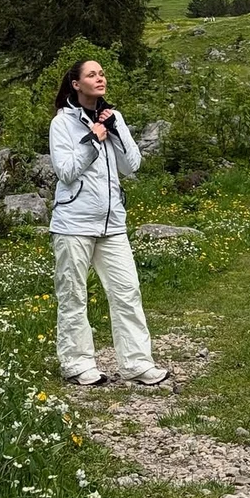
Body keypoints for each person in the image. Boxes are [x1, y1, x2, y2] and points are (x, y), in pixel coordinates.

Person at [49, 58, 169, 387]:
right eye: (92, 74)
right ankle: (77, 364)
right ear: (76, 84)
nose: (100, 78)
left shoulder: (113, 118)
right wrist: (92, 140)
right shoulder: (62, 124)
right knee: (73, 294)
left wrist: (114, 131)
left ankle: (137, 364)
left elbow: (131, 166)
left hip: (112, 222)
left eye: (102, 73)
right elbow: (66, 172)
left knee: (127, 291)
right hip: (73, 223)